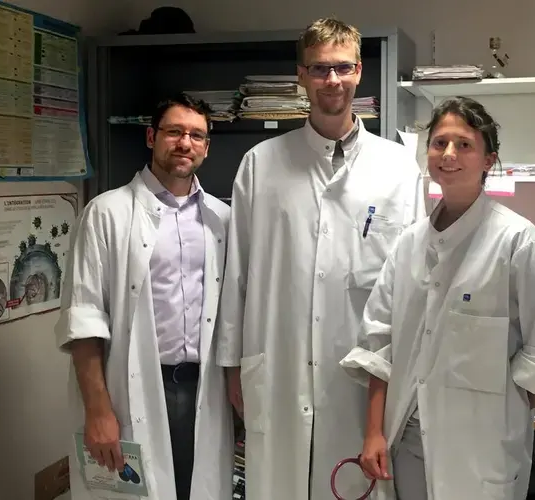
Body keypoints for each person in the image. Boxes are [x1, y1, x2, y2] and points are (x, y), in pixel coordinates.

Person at [216, 17, 426, 500]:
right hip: (278, 365)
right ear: (301, 76)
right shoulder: (261, 163)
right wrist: (233, 367)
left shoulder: (397, 167)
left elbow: (412, 285)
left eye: (343, 68)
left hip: (361, 379)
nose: (332, 80)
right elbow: (238, 275)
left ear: (358, 73)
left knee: (352, 484)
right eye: (320, 69)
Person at [340, 96, 535, 500]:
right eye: (439, 143)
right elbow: (377, 346)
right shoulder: (409, 245)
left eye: (464, 145)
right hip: (408, 443)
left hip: (481, 453)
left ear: (489, 160)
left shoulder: (515, 241)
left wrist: (502, 408)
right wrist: (373, 433)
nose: (449, 154)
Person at [55, 93, 234, 500]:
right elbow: (83, 318)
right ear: (152, 137)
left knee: (197, 490)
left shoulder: (222, 219)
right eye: (174, 132)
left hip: (204, 390)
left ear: (207, 147)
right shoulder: (107, 213)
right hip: (131, 388)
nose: (185, 143)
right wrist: (98, 411)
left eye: (196, 135)